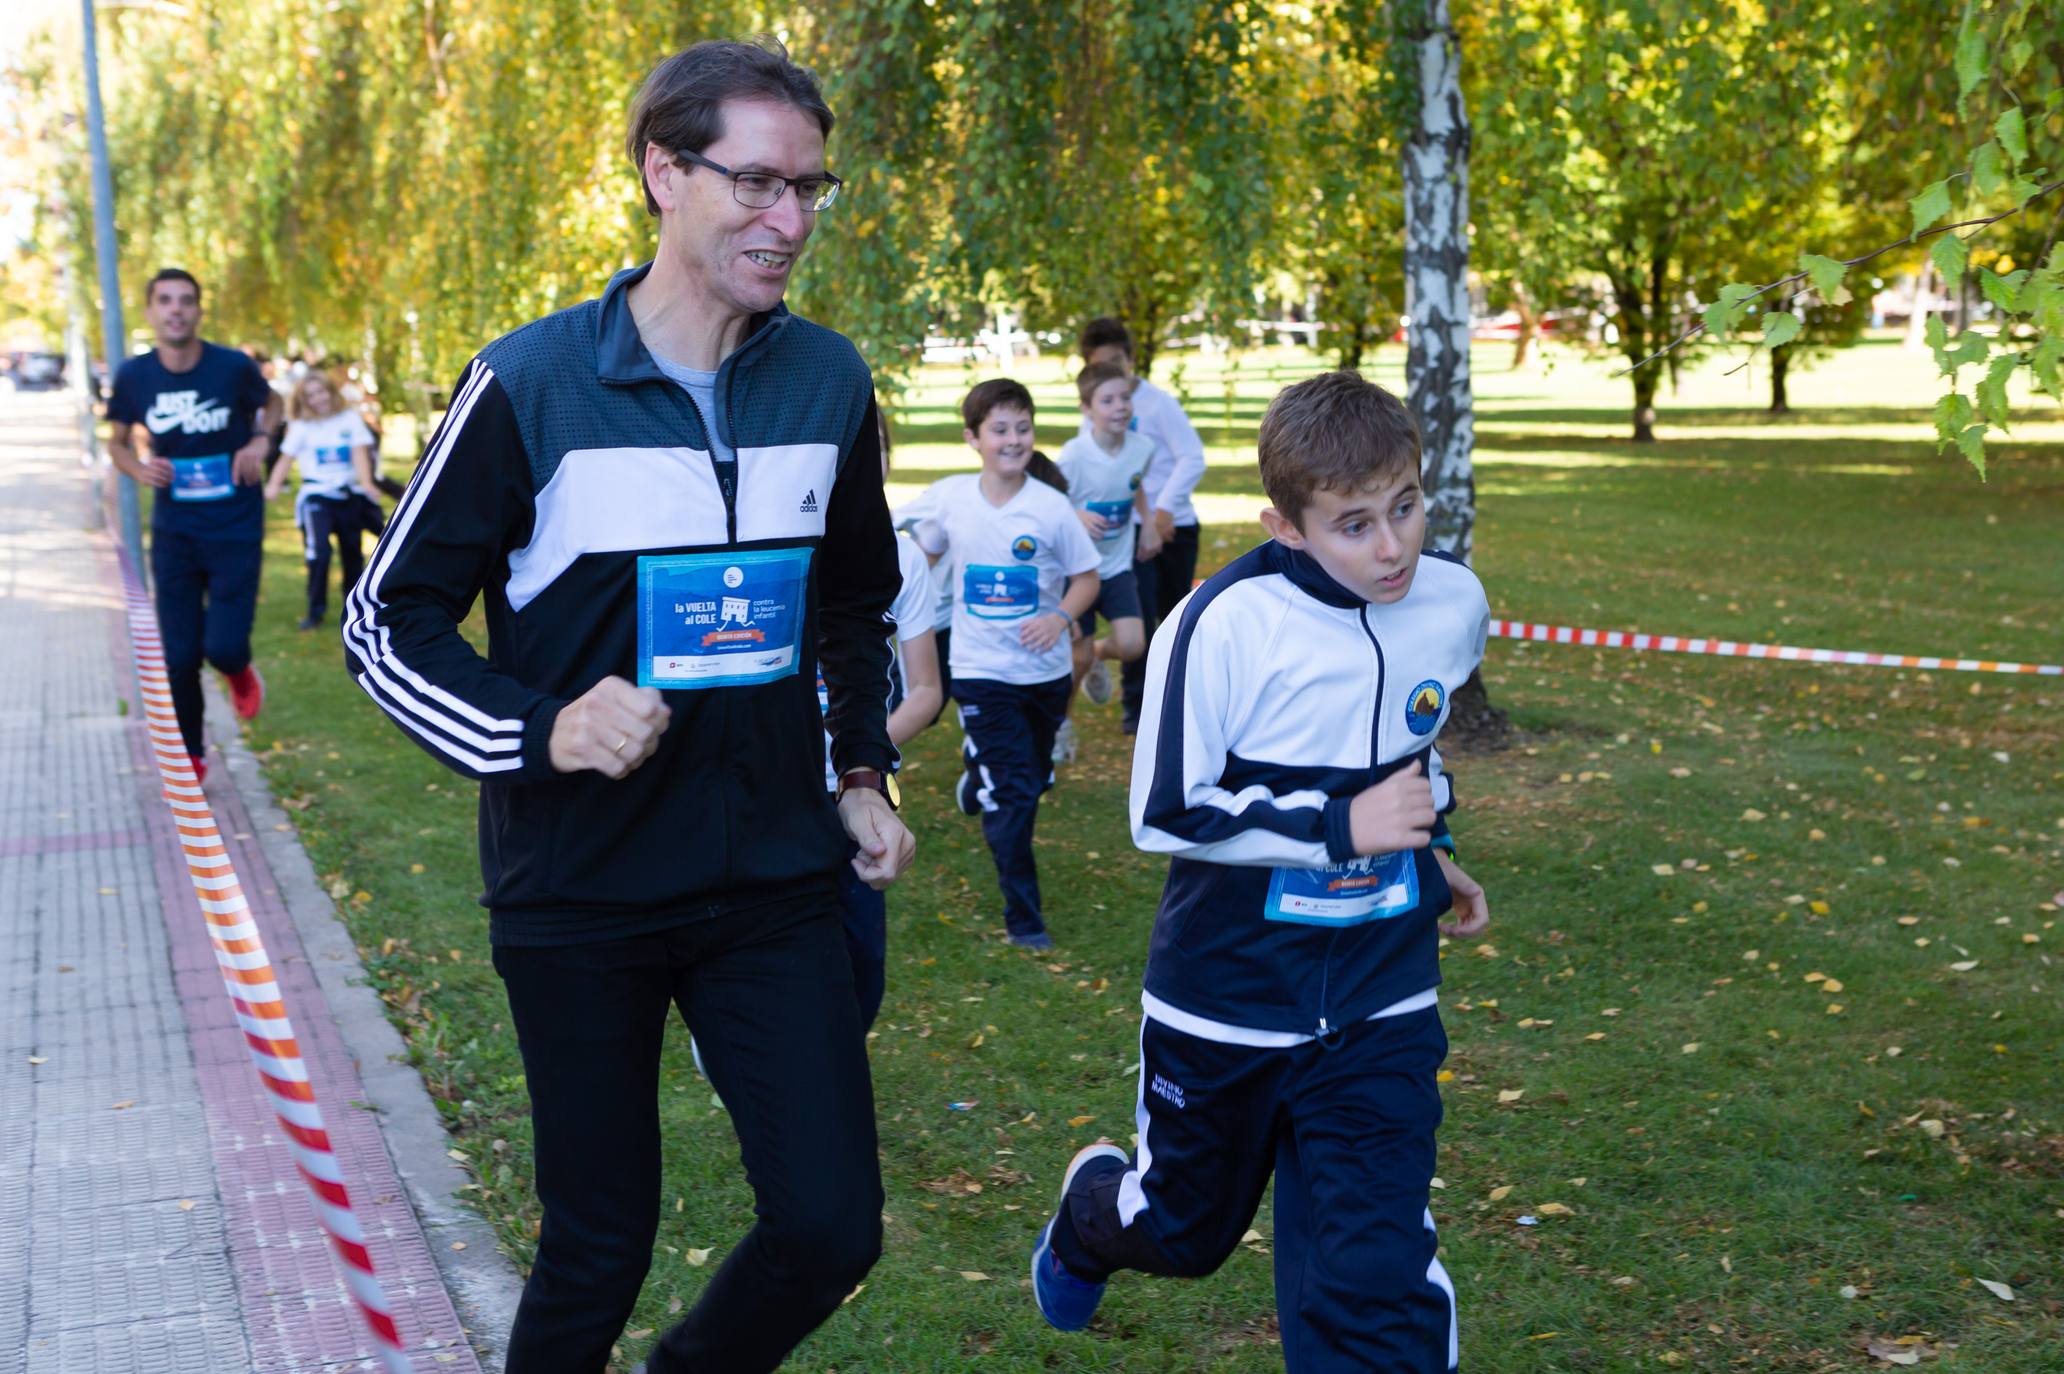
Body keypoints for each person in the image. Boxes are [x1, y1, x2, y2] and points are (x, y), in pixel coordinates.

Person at [341, 40, 913, 1374]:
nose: (793, 219)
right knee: (601, 1237)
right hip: (580, 889)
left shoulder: (829, 383)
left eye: (811, 187)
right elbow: (387, 621)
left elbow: (853, 608)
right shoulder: (532, 384)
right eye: (760, 183)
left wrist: (857, 769)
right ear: (665, 171)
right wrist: (538, 727)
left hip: (774, 878)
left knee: (830, 1226)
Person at [1030, 371, 1493, 1373]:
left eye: (1406, 507)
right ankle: (1089, 1214)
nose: (1392, 547)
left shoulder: (1453, 601)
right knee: (1185, 1234)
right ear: (1285, 525)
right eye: (1354, 524)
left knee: (1373, 1273)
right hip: (1230, 995)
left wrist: (1429, 844)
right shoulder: (1222, 621)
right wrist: (1340, 826)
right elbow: (1163, 812)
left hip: (1380, 990)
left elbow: (1412, 746)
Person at [912, 379, 1099, 950]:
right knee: (1016, 793)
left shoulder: (1051, 508)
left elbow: (1086, 579)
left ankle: (979, 779)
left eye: (1022, 427)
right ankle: (1025, 918)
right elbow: (921, 554)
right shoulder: (950, 498)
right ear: (973, 438)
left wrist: (1060, 621)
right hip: (978, 670)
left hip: (1044, 675)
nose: (1013, 440)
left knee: (1035, 776)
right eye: (1000, 430)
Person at [106, 269, 278, 784]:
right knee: (178, 655)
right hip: (175, 532)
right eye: (165, 301)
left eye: (185, 301)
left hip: (235, 527)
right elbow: (115, 440)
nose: (176, 309)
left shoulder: (232, 367)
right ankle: (192, 754)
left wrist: (259, 442)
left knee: (221, 647)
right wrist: (138, 468)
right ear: (151, 312)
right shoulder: (135, 376)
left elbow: (273, 404)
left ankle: (237, 668)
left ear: (199, 311)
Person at [817, 406, 942, 1029]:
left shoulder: (903, 559)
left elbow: (924, 691)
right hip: (763, 784)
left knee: (862, 964)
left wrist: (855, 756)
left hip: (856, 789)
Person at [1076, 316, 1207, 734]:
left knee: (1176, 615)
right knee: (1142, 617)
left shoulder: (1158, 403)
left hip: (1176, 526)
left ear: (1131, 359)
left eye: (1119, 362)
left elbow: (1192, 457)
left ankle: (1177, 702)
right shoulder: (1093, 416)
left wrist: (1164, 511)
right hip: (1128, 531)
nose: (1115, 373)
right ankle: (1137, 709)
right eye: (1103, 366)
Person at [1056, 361, 1160, 716]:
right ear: (1086, 409)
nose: (1119, 407)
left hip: (1116, 565)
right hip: (1076, 568)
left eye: (1124, 398)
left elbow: (1133, 484)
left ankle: (1101, 654)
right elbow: (1049, 501)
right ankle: (1060, 724)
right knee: (1077, 658)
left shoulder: (1142, 447)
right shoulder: (1074, 455)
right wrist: (1076, 515)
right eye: (1107, 401)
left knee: (1133, 645)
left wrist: (1147, 521)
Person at [265, 369, 384, 631]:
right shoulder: (301, 427)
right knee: (319, 553)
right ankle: (314, 611)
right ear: (303, 400)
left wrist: (366, 484)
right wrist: (273, 485)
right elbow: (285, 458)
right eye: (310, 395)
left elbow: (359, 453)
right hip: (317, 496)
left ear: (331, 392)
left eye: (321, 392)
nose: (318, 399)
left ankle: (354, 611)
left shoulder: (349, 419)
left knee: (352, 552)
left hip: (347, 496)